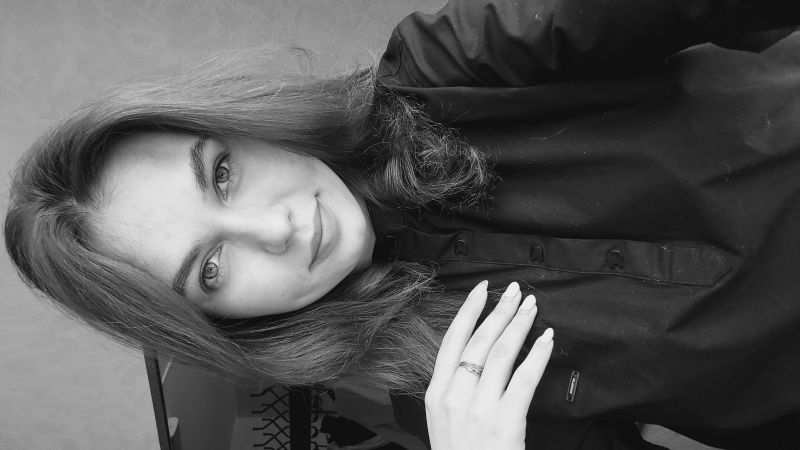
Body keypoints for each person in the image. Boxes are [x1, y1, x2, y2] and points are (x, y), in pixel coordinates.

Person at [5, 0, 800, 448]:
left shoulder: (445, 68)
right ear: (220, 323)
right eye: (211, 269)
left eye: (222, 173)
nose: (274, 230)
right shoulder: (442, 401)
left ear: (243, 128)